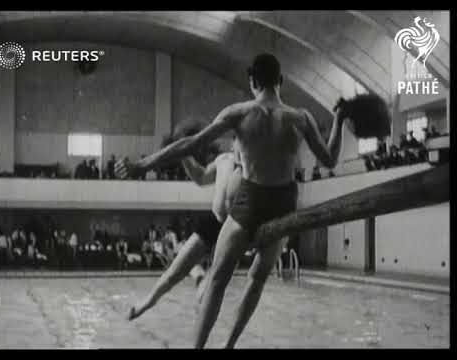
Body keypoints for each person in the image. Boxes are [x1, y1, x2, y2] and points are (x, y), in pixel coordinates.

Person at [132, 53, 346, 348]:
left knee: (218, 280)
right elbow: (330, 159)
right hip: (284, 202)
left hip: (251, 201)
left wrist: (145, 164)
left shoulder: (240, 113)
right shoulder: (301, 117)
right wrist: (339, 121)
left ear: (252, 81)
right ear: (280, 81)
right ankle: (229, 344)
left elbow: (190, 145)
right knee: (257, 278)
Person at [128, 143, 243, 321]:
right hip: (213, 222)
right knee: (175, 270)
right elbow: (201, 176)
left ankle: (198, 278)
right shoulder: (223, 160)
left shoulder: (254, 167)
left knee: (207, 291)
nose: (242, 147)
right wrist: (185, 155)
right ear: (233, 143)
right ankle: (149, 300)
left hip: (236, 229)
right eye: (239, 142)